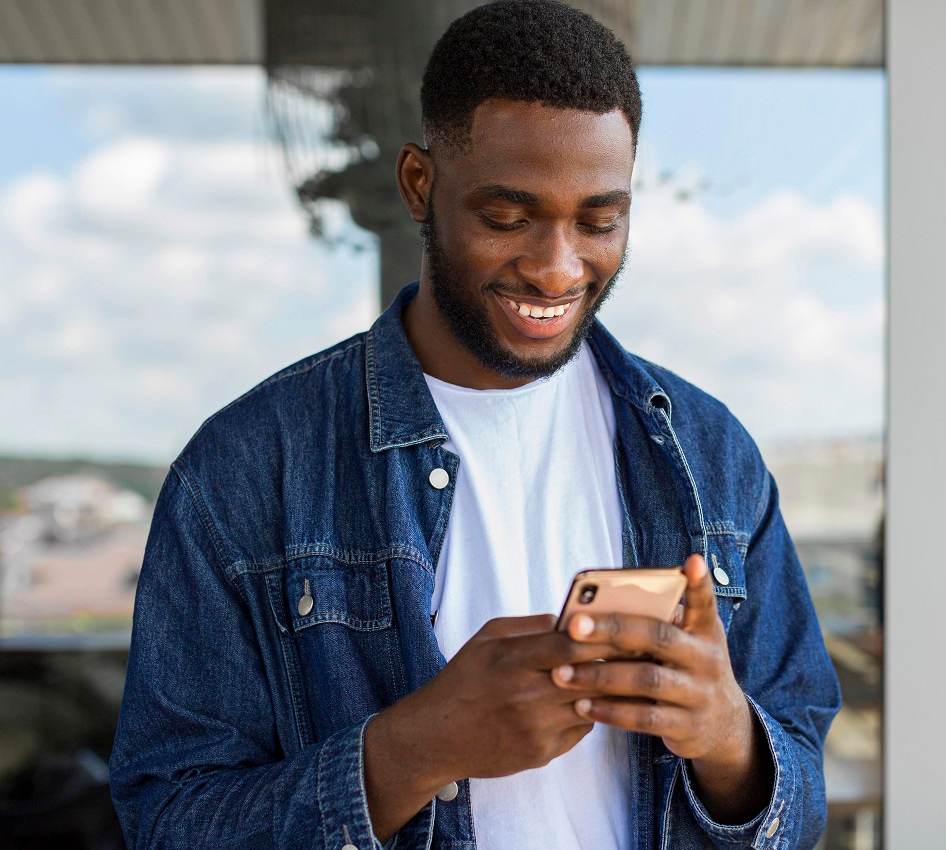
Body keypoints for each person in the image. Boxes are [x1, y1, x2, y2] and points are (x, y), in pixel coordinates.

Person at [106, 1, 841, 848]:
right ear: (419, 184)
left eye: (599, 220)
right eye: (508, 218)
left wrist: (728, 738)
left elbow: (802, 789)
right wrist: (414, 750)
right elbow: (166, 819)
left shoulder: (710, 454)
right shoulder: (246, 469)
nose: (557, 268)